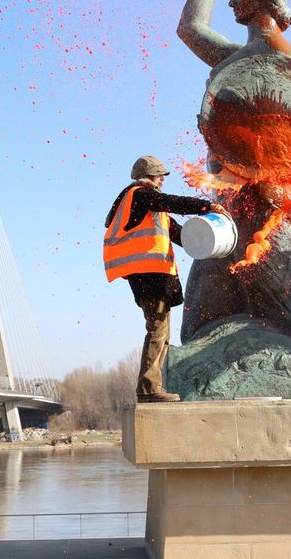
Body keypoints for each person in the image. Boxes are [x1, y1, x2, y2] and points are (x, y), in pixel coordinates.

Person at [104, 155, 225, 402]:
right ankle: (149, 390)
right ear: (150, 177)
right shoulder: (140, 195)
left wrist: (207, 247)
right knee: (157, 331)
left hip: (152, 276)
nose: (162, 180)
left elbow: (179, 234)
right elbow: (172, 202)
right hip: (148, 276)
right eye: (160, 175)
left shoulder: (151, 209)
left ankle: (152, 387)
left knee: (162, 332)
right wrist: (207, 206)